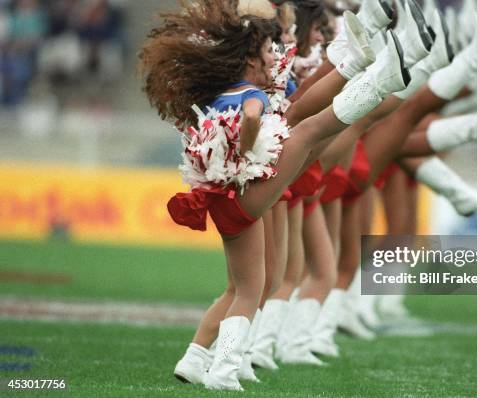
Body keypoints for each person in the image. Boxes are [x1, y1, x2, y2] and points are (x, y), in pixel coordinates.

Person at [139, 0, 409, 391]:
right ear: (250, 57)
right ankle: (224, 369)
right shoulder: (254, 94)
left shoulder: (217, 93)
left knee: (237, 289)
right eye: (267, 51)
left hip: (222, 199)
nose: (274, 56)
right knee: (309, 134)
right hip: (244, 197)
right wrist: (249, 148)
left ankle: (194, 357)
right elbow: (251, 116)